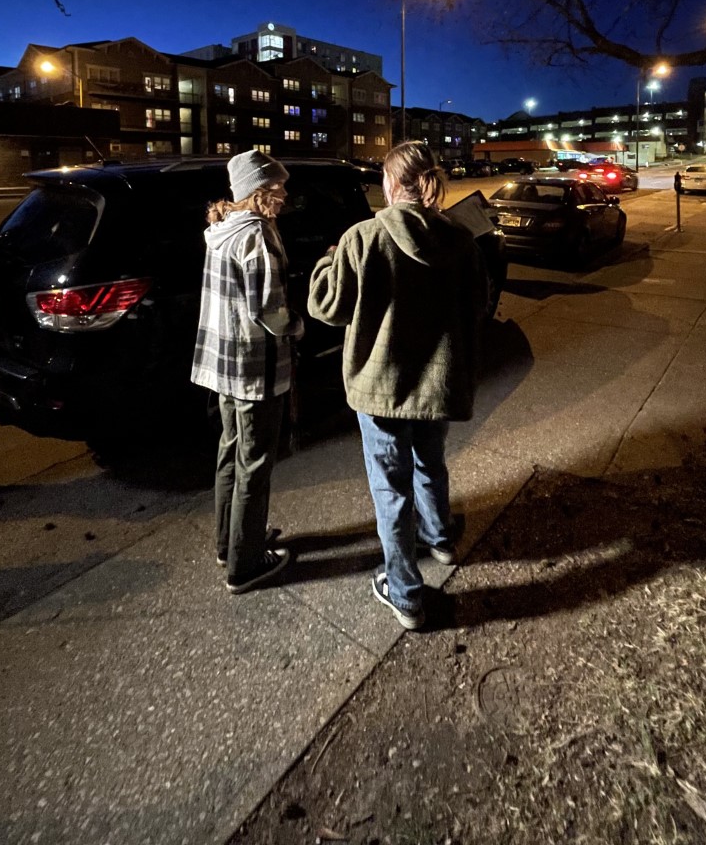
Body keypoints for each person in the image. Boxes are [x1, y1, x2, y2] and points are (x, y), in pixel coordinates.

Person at [307, 141, 487, 630]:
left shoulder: (362, 238)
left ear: (390, 183)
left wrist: (329, 262)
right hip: (438, 386)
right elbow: (477, 308)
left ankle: (405, 592)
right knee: (431, 463)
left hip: (381, 388)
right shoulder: (461, 240)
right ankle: (441, 539)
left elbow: (326, 308)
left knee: (391, 487)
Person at [191, 150, 303, 594]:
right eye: (278, 188)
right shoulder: (256, 237)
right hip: (254, 367)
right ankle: (245, 563)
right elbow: (269, 311)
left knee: (230, 453)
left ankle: (230, 542)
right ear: (260, 192)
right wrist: (298, 325)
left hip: (223, 365)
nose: (284, 195)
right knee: (255, 464)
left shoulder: (220, 231)